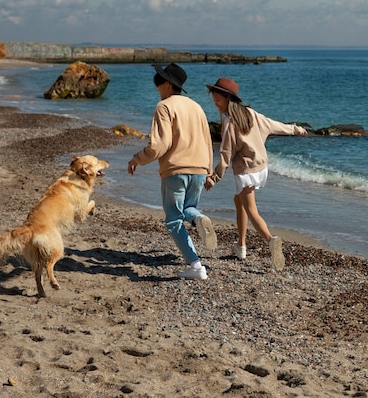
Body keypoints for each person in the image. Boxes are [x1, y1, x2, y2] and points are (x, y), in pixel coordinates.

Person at [204, 78, 307, 270]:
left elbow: (225, 154)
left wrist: (214, 178)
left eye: (218, 100)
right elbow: (273, 125)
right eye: (214, 100)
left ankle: (271, 240)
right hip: (261, 168)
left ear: (228, 98)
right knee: (239, 201)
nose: (215, 104)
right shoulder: (251, 114)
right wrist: (295, 129)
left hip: (245, 172)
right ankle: (241, 246)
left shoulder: (229, 122)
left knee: (252, 210)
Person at [127, 63, 217, 280]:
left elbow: (160, 145)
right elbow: (208, 141)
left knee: (174, 220)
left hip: (175, 170)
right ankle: (199, 219)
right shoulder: (197, 107)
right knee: (189, 208)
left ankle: (196, 267)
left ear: (167, 84)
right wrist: (209, 171)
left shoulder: (164, 107)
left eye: (158, 82)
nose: (157, 86)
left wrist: (137, 159)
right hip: (199, 168)